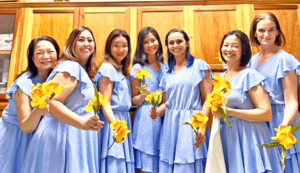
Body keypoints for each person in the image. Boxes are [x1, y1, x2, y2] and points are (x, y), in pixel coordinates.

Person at [21, 26, 104, 173]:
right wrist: (81, 122)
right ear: (72, 44)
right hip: (62, 136)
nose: (86, 43)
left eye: (90, 40)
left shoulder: (79, 69)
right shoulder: (72, 67)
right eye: (81, 40)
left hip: (71, 134)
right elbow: (51, 101)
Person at [213, 30, 282, 173]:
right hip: (227, 137)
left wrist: (230, 112)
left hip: (249, 137)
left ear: (243, 50)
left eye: (235, 46)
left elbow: (266, 113)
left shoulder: (250, 75)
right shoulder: (220, 78)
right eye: (226, 45)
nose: (229, 49)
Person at [149, 29, 211, 173]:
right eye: (171, 43)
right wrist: (157, 111)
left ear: (187, 43)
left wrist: (201, 127)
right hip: (170, 124)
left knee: (186, 165)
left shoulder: (199, 65)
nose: (175, 45)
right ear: (167, 47)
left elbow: (208, 99)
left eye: (179, 41)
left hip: (191, 122)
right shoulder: (167, 72)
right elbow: (167, 103)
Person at [248, 12, 300, 172]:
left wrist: (284, 126)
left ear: (278, 32)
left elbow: (292, 100)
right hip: (260, 121)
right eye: (262, 30)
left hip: (281, 120)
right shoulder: (252, 60)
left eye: (271, 30)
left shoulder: (285, 59)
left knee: (285, 166)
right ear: (255, 33)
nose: (266, 34)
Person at [0, 36, 59, 173]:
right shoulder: (24, 84)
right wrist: (38, 111)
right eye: (39, 52)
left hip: (34, 136)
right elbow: (26, 126)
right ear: (32, 58)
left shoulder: (54, 80)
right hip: (14, 137)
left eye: (50, 51)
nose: (45, 56)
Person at [94, 29, 134, 173]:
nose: (120, 49)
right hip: (113, 119)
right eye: (116, 45)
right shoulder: (108, 68)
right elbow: (105, 101)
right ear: (109, 47)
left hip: (123, 119)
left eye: (124, 45)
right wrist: (115, 126)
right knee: (115, 163)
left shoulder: (121, 70)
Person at [130, 27, 168, 173]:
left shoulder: (166, 66)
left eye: (153, 40)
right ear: (141, 45)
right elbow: (134, 100)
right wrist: (143, 94)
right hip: (146, 116)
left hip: (164, 115)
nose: (150, 44)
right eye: (146, 42)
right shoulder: (138, 68)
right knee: (145, 162)